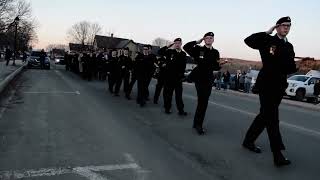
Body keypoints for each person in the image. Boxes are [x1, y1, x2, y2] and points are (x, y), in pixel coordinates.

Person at [242, 17, 297, 167]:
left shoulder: (289, 46)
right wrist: (267, 32)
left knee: (264, 116)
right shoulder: (267, 41)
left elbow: (290, 67)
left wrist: (295, 66)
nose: (286, 28)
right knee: (272, 118)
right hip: (266, 85)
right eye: (284, 25)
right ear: (277, 27)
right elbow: (249, 41)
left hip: (279, 86)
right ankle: (277, 154)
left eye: (289, 26)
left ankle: (248, 141)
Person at [183, 32, 221, 135]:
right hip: (199, 78)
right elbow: (186, 47)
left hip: (209, 79)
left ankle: (197, 123)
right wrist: (197, 41)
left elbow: (216, 66)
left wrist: (218, 68)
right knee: (202, 101)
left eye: (211, 38)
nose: (209, 39)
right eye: (207, 38)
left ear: (213, 40)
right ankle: (198, 124)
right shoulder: (198, 49)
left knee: (204, 102)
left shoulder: (216, 52)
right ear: (204, 39)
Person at [158, 38, 187, 115]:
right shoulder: (170, 52)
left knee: (179, 96)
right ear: (174, 44)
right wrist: (167, 46)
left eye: (179, 43)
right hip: (169, 78)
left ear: (181, 44)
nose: (177, 44)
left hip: (178, 78)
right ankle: (167, 108)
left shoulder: (183, 54)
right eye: (176, 43)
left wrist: (182, 76)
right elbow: (160, 52)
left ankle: (181, 110)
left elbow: (183, 66)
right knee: (168, 94)